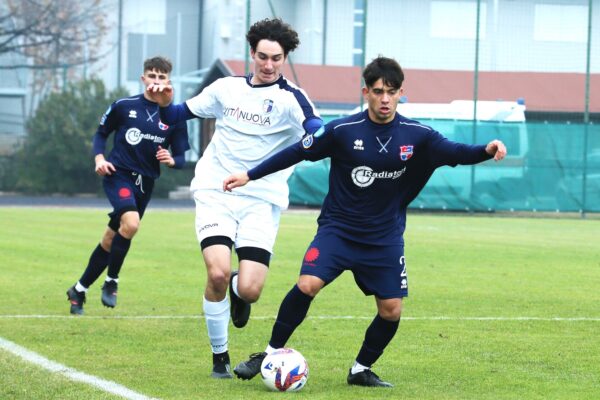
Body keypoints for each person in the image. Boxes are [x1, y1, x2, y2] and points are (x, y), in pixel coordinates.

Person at [223, 56, 507, 387]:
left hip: (384, 238)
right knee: (307, 284)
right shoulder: (343, 130)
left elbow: (457, 152)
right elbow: (297, 152)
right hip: (338, 230)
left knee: (391, 310)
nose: (384, 99)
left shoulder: (418, 136)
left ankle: (360, 369)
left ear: (402, 93)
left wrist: (487, 150)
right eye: (377, 91)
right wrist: (250, 174)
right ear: (365, 92)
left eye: (391, 92)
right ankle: (269, 354)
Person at [145, 18, 323, 379]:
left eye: (276, 58)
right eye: (262, 56)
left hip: (262, 199)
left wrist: (319, 137)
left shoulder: (293, 99)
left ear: (285, 58)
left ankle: (240, 294)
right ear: (251, 53)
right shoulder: (225, 89)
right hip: (216, 190)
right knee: (217, 273)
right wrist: (165, 103)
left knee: (251, 289)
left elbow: (315, 129)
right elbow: (179, 114)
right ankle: (219, 357)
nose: (268, 65)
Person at [66, 56, 190, 315]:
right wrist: (99, 158)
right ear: (143, 78)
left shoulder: (175, 116)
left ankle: (78, 290)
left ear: (168, 82)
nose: (156, 81)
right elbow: (101, 134)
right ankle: (112, 281)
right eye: (151, 76)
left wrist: (171, 160)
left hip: (145, 183)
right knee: (132, 224)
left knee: (111, 239)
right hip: (118, 174)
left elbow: (181, 157)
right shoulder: (124, 106)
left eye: (161, 77)